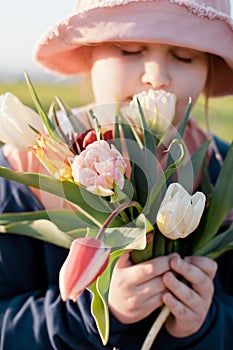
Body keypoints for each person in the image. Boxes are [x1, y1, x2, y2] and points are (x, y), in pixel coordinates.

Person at [0, 0, 233, 349]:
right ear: (89, 54)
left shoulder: (220, 171)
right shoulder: (25, 170)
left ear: (208, 67)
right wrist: (94, 313)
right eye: (129, 49)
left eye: (184, 56)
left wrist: (205, 322)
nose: (156, 77)